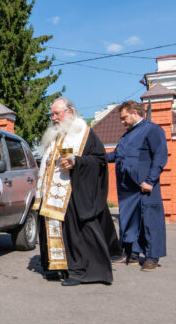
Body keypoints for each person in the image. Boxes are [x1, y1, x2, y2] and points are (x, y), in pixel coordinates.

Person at [33, 97, 120, 286]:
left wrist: (77, 162)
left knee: (75, 233)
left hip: (73, 193)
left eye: (57, 113)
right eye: (52, 114)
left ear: (70, 112)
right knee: (52, 231)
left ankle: (79, 271)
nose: (54, 117)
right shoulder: (55, 135)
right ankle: (58, 268)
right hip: (51, 195)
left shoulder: (83, 132)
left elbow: (99, 160)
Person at [107, 100, 168, 271]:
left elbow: (160, 156)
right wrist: (96, 155)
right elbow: (116, 155)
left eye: (124, 118)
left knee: (150, 221)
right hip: (128, 188)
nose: (122, 122)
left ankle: (152, 257)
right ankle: (131, 254)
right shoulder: (126, 136)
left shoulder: (152, 129)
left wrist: (150, 180)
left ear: (135, 113)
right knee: (128, 221)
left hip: (145, 186)